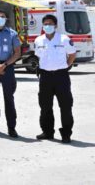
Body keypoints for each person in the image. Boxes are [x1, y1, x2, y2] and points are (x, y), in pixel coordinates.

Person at [34, 14, 76, 143]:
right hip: (45, 76)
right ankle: (47, 132)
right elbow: (38, 56)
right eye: (45, 24)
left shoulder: (64, 39)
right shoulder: (38, 40)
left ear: (55, 26)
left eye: (50, 24)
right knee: (45, 106)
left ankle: (66, 133)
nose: (48, 26)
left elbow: (72, 54)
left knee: (65, 105)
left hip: (61, 76)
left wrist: (65, 66)